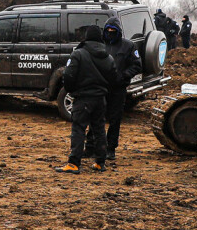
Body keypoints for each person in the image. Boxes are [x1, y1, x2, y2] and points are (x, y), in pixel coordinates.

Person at [55, 24, 116, 173]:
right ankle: (100, 163)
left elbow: (68, 75)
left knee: (78, 129)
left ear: (86, 37)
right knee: (99, 130)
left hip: (83, 99)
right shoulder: (108, 57)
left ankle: (74, 163)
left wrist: (72, 90)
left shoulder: (78, 54)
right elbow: (113, 78)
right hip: (100, 99)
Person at [100, 17, 142, 166]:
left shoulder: (128, 46)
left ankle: (111, 148)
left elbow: (137, 65)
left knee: (115, 119)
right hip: (101, 87)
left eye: (113, 31)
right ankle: (93, 146)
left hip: (118, 88)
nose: (110, 33)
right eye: (108, 31)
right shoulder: (99, 45)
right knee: (96, 117)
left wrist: (124, 76)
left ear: (118, 32)